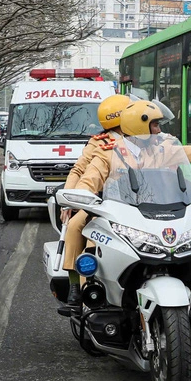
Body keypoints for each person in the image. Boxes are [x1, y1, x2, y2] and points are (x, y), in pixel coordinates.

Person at [66, 100, 191, 304]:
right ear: (139, 126)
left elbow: (187, 153)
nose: (159, 130)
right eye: (155, 125)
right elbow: (89, 178)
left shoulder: (161, 148)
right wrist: (79, 197)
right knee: (84, 233)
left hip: (157, 211)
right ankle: (83, 288)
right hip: (115, 210)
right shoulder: (108, 150)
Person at [60, 94, 131, 305]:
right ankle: (77, 285)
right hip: (103, 202)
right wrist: (69, 201)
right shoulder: (99, 142)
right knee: (75, 226)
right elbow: (79, 170)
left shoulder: (143, 139)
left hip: (138, 202)